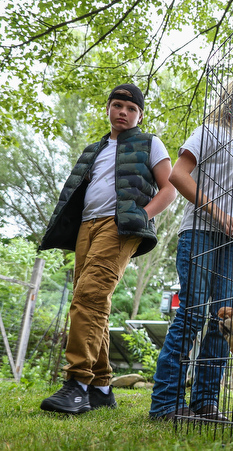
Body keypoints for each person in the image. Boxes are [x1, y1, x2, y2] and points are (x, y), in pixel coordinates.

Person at [39, 83, 176, 414]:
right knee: (88, 300)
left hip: (120, 228)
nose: (123, 112)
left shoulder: (149, 143)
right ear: (109, 109)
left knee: (89, 297)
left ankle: (76, 385)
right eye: (117, 106)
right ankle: (101, 387)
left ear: (139, 114)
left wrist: (142, 215)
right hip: (87, 228)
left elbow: (170, 188)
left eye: (131, 109)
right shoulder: (93, 149)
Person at [149, 79, 233, 422]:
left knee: (225, 321)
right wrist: (217, 212)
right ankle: (166, 403)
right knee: (193, 313)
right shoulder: (208, 131)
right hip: (200, 233)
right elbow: (178, 175)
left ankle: (206, 402)